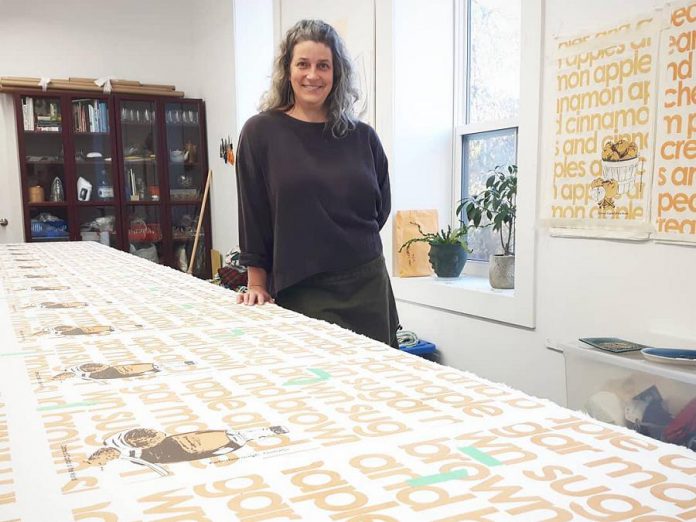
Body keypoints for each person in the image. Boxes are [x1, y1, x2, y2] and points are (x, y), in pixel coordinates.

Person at [235, 19, 399, 348]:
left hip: (368, 286)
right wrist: (256, 282)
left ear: (336, 73)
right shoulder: (260, 133)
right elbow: (253, 212)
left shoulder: (363, 137)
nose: (313, 75)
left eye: (323, 65)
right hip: (302, 286)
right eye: (303, 64)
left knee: (376, 388)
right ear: (288, 70)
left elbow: (379, 209)